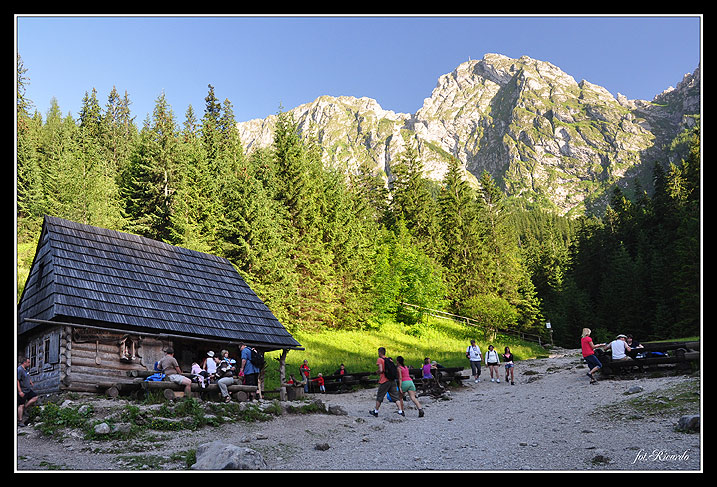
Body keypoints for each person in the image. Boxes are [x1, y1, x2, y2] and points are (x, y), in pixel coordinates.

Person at [369, 347, 404, 417]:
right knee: (395, 397)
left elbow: (381, 370)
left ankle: (376, 411)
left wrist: (377, 372)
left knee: (380, 396)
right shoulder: (389, 360)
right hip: (392, 380)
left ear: (379, 352)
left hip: (384, 381)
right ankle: (400, 411)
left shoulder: (380, 360)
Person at [17, 357, 38, 427]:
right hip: (22, 390)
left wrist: (30, 382)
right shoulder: (19, 370)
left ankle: (25, 407)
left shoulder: (26, 369)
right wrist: (20, 391)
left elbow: (27, 377)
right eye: (28, 362)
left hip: (28, 390)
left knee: (35, 397)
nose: (29, 364)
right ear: (24, 363)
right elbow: (17, 380)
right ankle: (20, 421)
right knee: (21, 405)